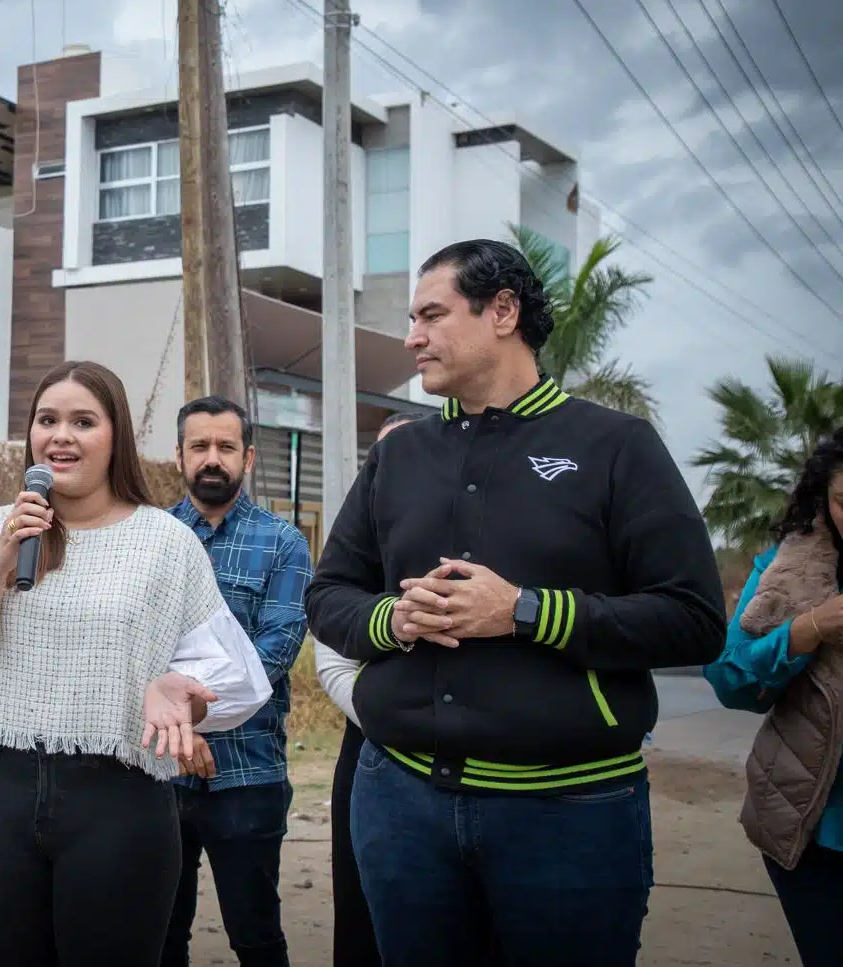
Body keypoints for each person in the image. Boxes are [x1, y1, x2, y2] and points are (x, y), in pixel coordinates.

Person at [305, 239, 726, 967]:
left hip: (571, 813)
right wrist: (394, 620)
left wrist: (526, 610)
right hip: (399, 800)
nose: (412, 337)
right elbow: (328, 593)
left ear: (503, 311)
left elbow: (694, 617)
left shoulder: (616, 445)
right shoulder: (397, 456)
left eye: (432, 315)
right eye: (413, 318)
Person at [0, 359, 274, 967]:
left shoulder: (165, 541)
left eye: (82, 421)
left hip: (119, 807)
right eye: (47, 420)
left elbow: (236, 675)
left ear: (115, 436)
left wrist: (180, 691)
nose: (60, 435)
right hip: (0, 800)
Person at [160, 396, 312, 967]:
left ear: (247, 457)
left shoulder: (284, 543)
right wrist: (178, 731)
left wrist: (190, 717)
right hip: (159, 769)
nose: (212, 459)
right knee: (160, 934)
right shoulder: (151, 536)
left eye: (225, 447)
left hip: (248, 773)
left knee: (256, 936)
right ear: (179, 455)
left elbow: (273, 652)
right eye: (199, 446)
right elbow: (133, 648)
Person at [704, 427, 843, 967]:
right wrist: (808, 628)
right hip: (811, 833)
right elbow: (729, 679)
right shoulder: (785, 568)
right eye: (842, 502)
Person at [312, 411, 424, 967]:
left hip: (460, 760)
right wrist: (384, 712)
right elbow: (329, 647)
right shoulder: (359, 542)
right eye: (380, 457)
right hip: (371, 744)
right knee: (360, 914)